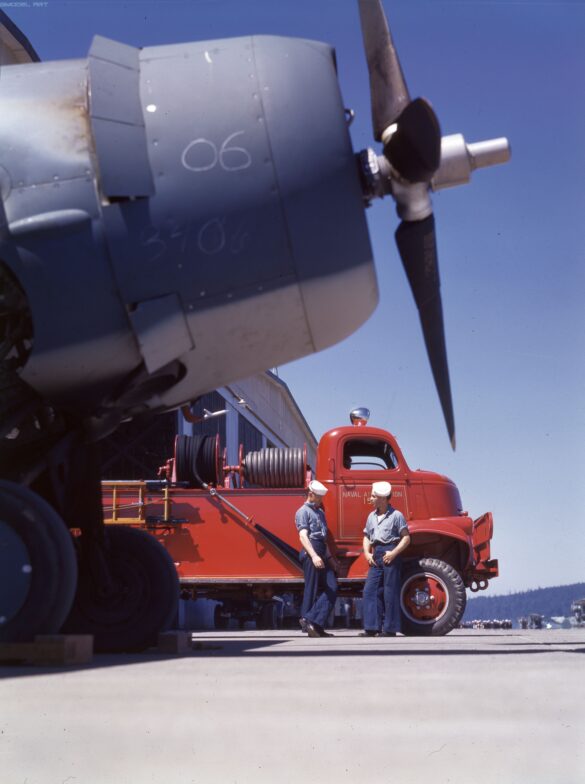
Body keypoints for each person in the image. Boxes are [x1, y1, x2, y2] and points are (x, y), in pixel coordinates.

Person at [360, 481, 411, 637]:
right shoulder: (371, 516)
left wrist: (394, 553)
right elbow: (366, 536)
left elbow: (406, 538)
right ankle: (371, 627)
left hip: (390, 553)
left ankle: (390, 629)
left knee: (390, 591)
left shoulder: (396, 515)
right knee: (370, 590)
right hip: (376, 554)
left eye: (373, 496)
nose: (370, 498)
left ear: (382, 498)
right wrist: (367, 553)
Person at [295, 479, 339, 638]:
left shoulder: (320, 513)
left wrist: (330, 559)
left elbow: (324, 540)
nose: (320, 500)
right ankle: (312, 626)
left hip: (321, 551)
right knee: (311, 589)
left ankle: (311, 621)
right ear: (310, 494)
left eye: (321, 497)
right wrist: (313, 555)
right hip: (311, 551)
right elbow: (303, 536)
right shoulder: (302, 511)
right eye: (318, 497)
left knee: (332, 587)